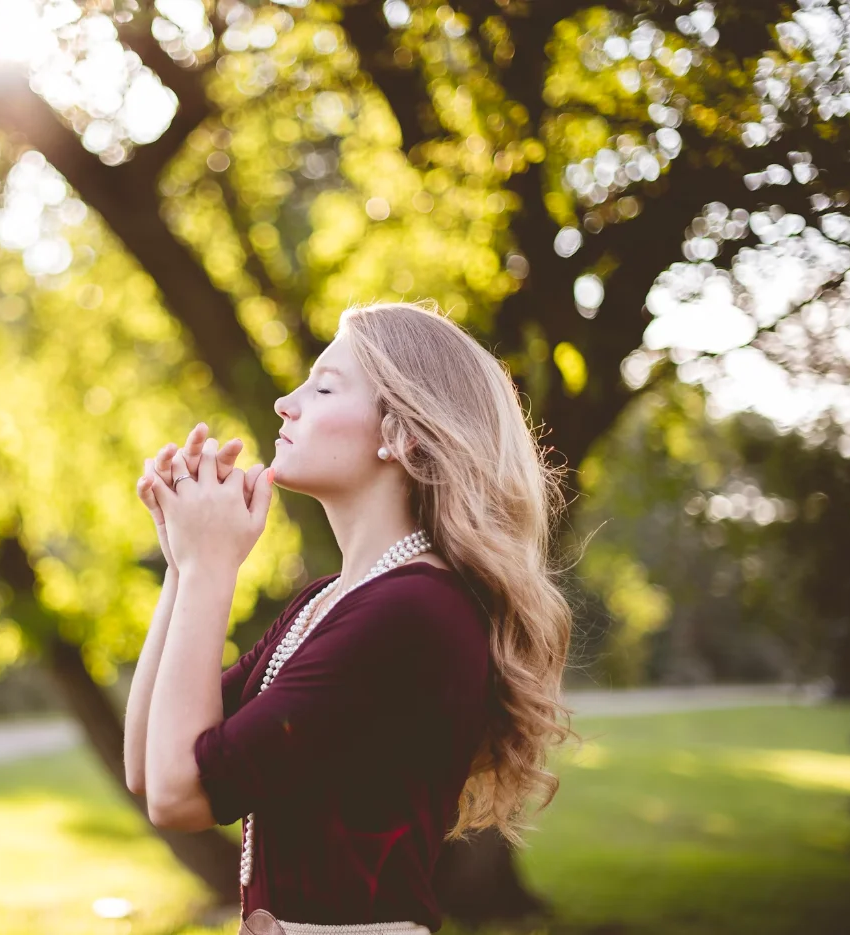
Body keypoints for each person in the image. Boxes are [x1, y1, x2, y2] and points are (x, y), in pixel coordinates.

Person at [123, 300, 575, 935]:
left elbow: (181, 797)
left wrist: (211, 568)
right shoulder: (328, 601)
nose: (287, 401)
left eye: (324, 385)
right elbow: (148, 766)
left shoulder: (411, 613)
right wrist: (183, 560)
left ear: (402, 434)